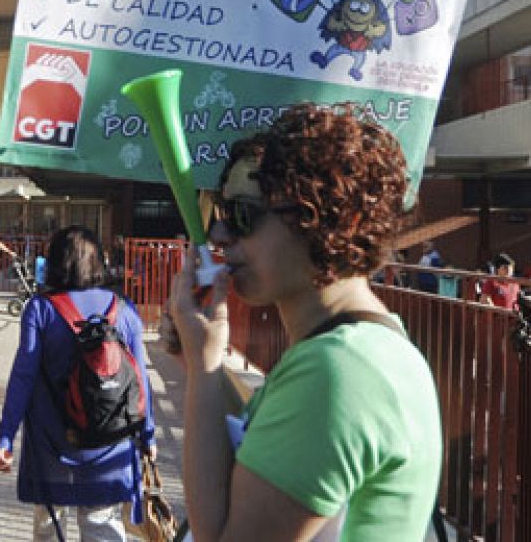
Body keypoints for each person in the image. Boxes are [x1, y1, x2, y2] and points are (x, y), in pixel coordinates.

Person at [168, 103, 441, 541]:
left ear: (321, 219)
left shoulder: (339, 372)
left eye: (243, 214)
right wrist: (204, 359)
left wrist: (204, 373)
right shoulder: (366, 349)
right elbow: (262, 455)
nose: (219, 236)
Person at [0, 226, 156, 541]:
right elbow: (141, 380)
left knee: (48, 525)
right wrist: (147, 435)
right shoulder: (124, 309)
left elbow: (23, 376)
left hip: (50, 445)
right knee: (102, 525)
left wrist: (5, 436)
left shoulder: (40, 309)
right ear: (98, 263)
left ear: (54, 262)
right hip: (109, 443)